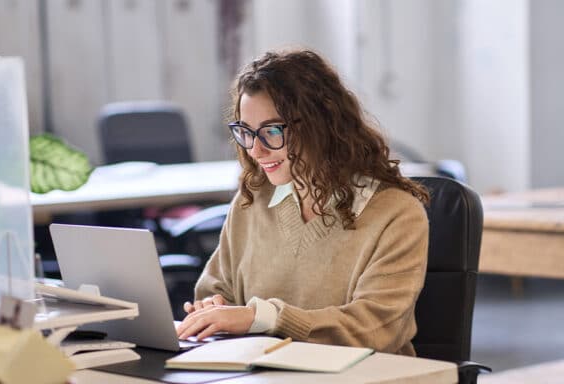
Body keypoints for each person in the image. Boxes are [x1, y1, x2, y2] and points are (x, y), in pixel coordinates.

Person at [176, 49, 430, 356]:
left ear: (321, 124)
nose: (255, 150)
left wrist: (262, 318)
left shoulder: (397, 214)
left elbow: (375, 328)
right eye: (246, 132)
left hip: (363, 374)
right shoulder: (252, 200)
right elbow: (216, 290)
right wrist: (212, 308)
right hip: (261, 372)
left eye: (272, 131)